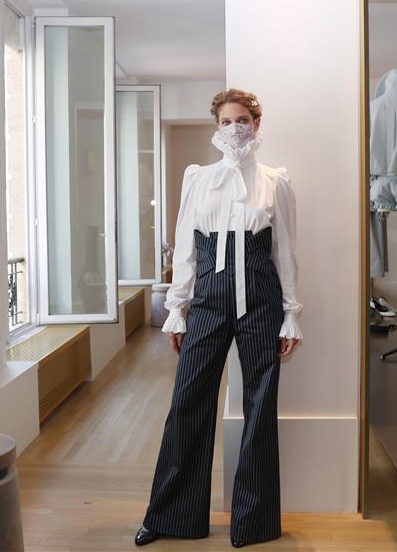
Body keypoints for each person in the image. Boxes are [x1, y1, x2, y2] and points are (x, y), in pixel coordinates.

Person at [135, 88, 303, 548]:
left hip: (262, 300)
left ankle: (254, 523)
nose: (234, 128)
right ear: (217, 126)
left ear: (256, 124)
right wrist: (176, 309)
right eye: (226, 121)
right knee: (188, 401)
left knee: (259, 407)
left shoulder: (274, 181)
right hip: (209, 297)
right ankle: (172, 516)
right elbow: (186, 248)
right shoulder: (198, 179)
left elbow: (285, 251)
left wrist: (291, 313)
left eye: (242, 119)